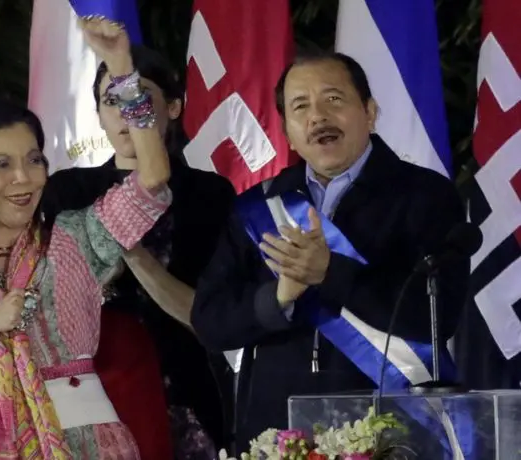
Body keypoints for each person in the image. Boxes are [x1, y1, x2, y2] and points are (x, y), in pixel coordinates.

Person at [191, 50, 470, 452]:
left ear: (369, 112)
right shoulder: (259, 206)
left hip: (390, 432)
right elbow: (209, 322)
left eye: (333, 99)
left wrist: (331, 272)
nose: (318, 116)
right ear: (288, 132)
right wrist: (277, 299)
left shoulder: (425, 195)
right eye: (300, 106)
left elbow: (436, 316)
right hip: (278, 436)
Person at [0, 18, 172, 459]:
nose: (24, 177)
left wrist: (122, 72)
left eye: (34, 160)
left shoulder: (74, 238)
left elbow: (153, 179)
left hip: (85, 445)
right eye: (2, 165)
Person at [41, 43, 236, 458]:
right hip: (96, 392)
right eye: (111, 101)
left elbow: (217, 314)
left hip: (188, 393)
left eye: (138, 98)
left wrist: (131, 252)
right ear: (98, 114)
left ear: (174, 107)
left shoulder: (209, 194)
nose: (125, 114)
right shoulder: (69, 190)